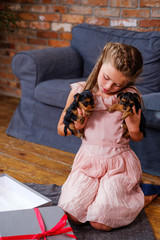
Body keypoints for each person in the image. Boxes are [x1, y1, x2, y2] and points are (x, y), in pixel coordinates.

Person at [57, 42, 159, 231]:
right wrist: (76, 125)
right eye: (106, 77)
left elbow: (137, 137)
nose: (108, 86)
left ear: (127, 83)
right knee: (73, 215)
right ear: (101, 62)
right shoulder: (79, 92)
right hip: (88, 162)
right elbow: (61, 128)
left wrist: (135, 127)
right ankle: (101, 196)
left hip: (118, 164)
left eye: (117, 84)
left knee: (101, 222)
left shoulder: (129, 96)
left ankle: (143, 194)